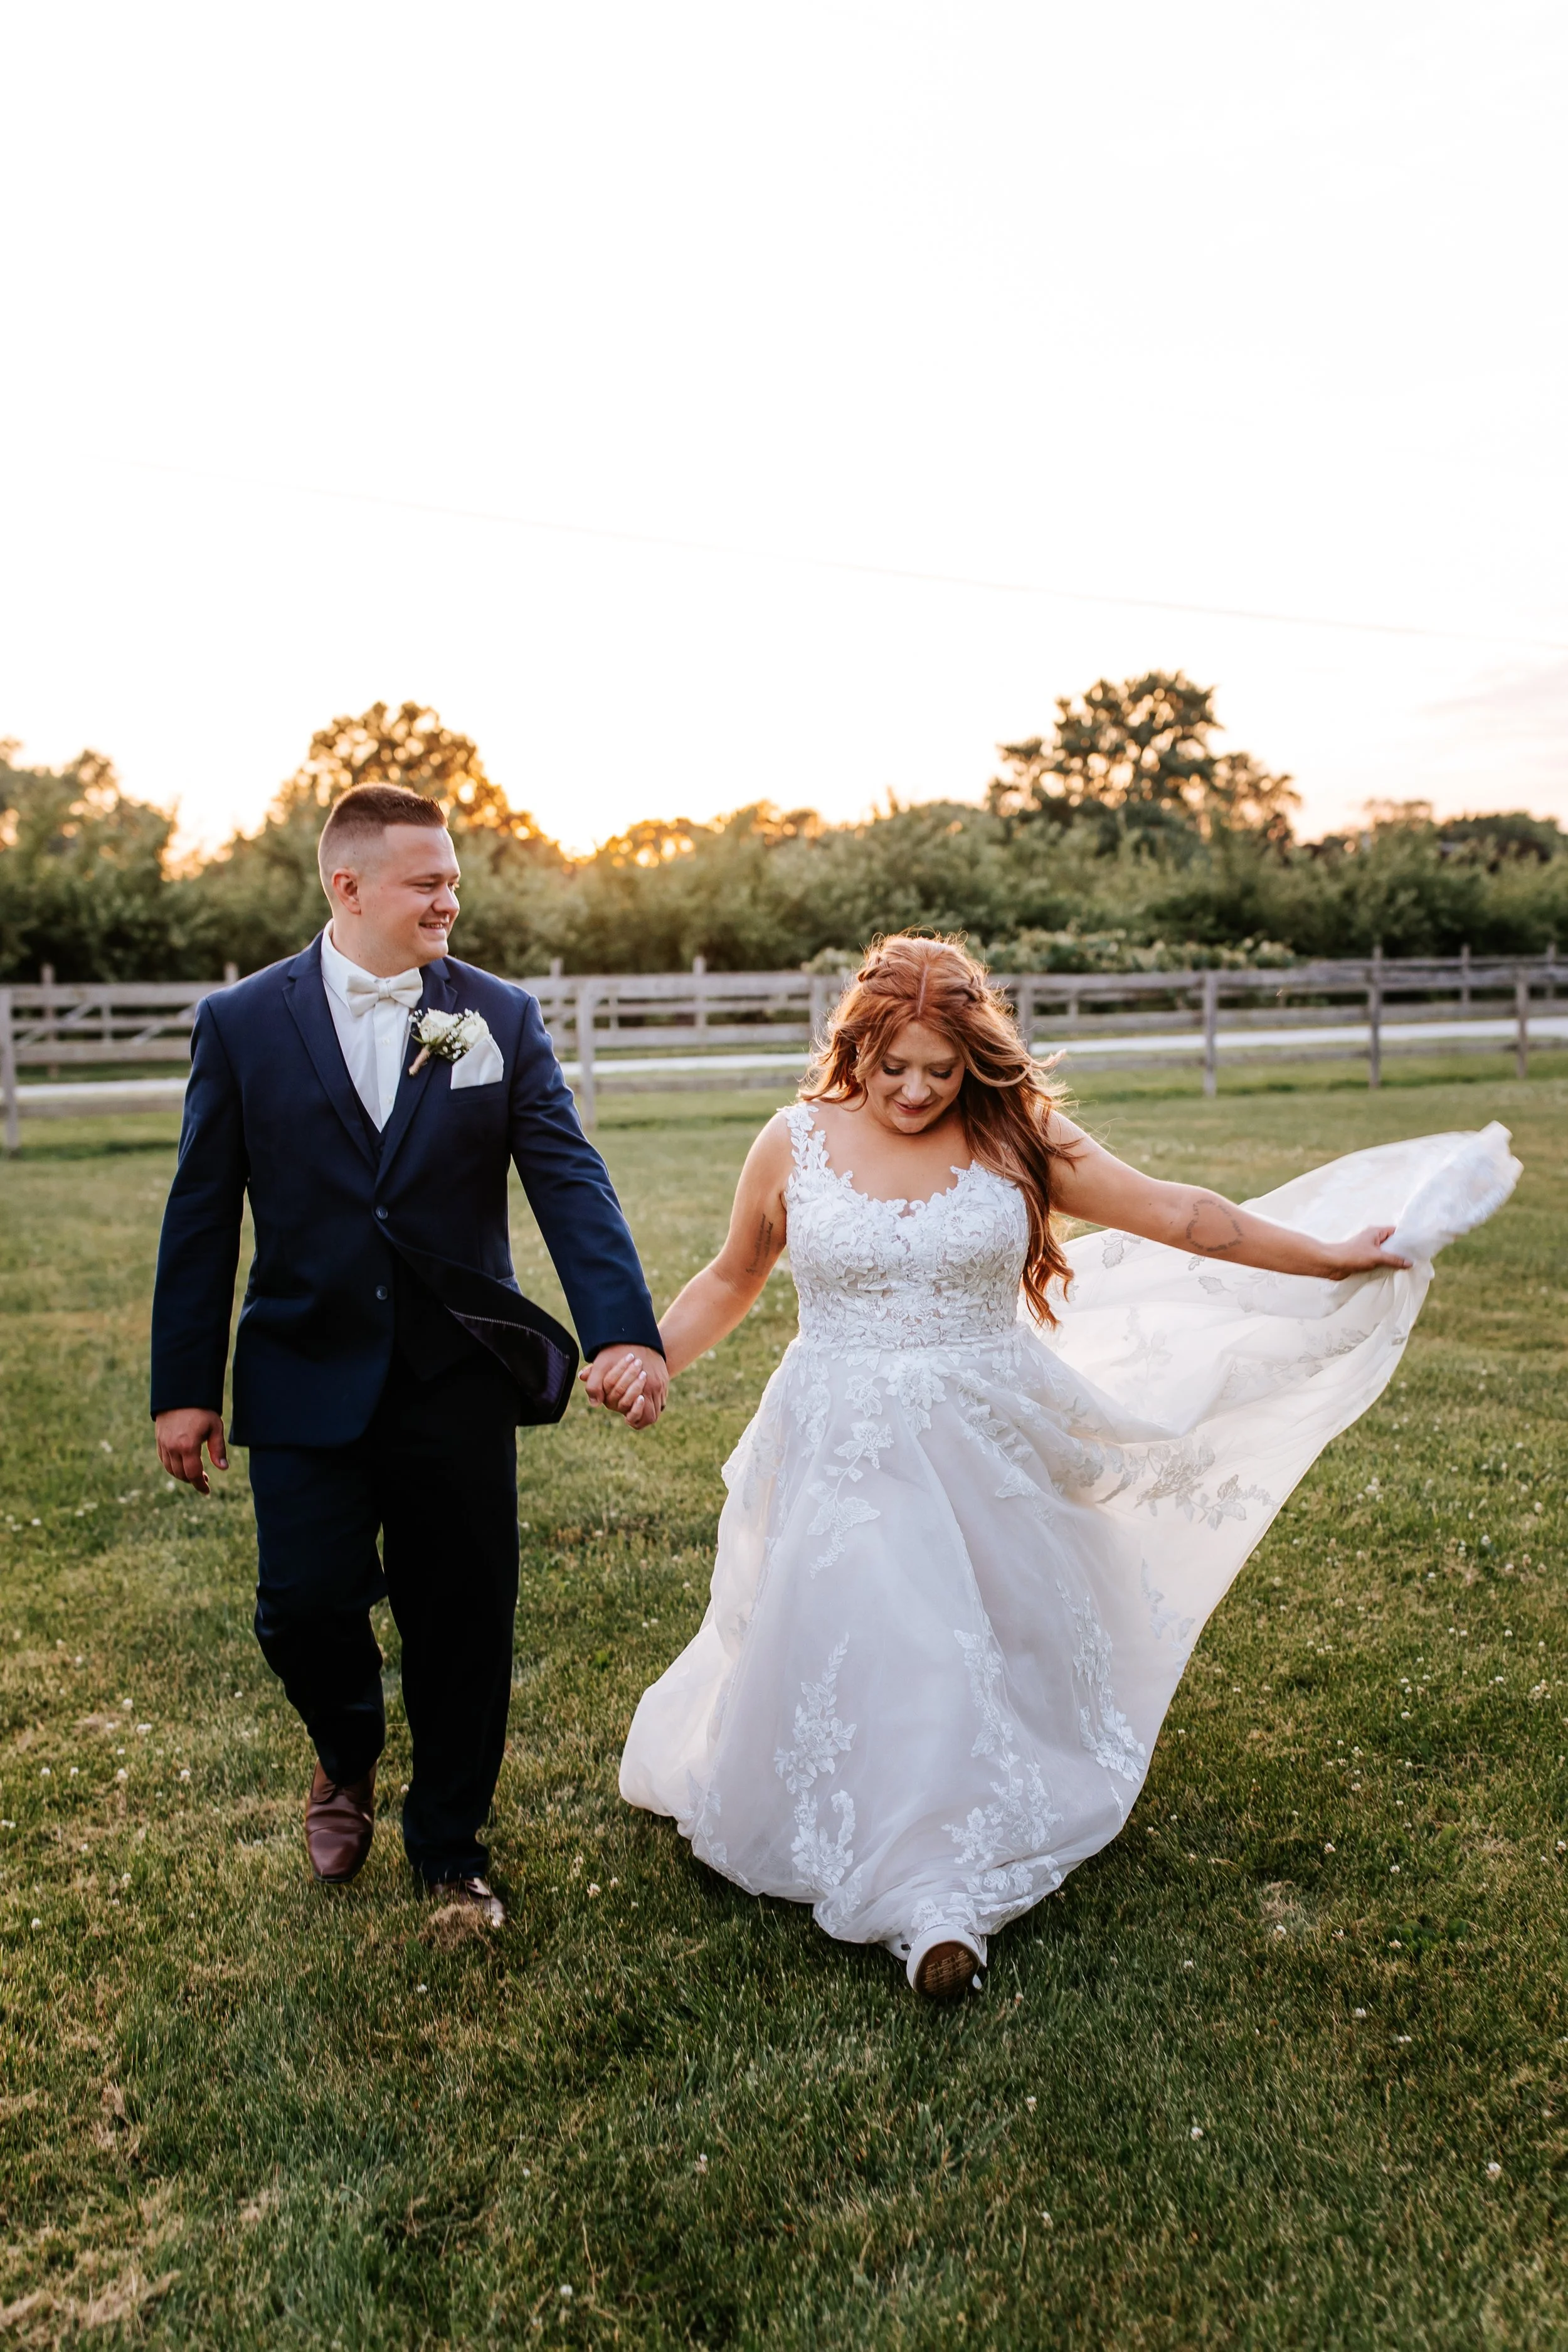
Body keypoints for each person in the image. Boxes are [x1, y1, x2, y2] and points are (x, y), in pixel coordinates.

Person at [617, 935, 1517, 1998]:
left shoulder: (1015, 1133)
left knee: (964, 1647)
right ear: (855, 1043)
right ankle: (926, 1898)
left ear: (977, 1060)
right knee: (884, 1635)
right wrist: (649, 1354)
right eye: (892, 1065)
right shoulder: (793, 1141)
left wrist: (1328, 1255)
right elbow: (734, 1275)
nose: (913, 1090)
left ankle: (939, 1895)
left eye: (939, 1070)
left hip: (986, 1431)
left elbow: (1185, 1215)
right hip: (839, 1438)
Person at [151, 783, 665, 1920]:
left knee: (462, 1615)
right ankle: (346, 1749)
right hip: (300, 1368)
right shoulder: (240, 1022)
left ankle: (449, 1846)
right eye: (427, 883)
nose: (450, 902)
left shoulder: (499, 1016)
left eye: (454, 881)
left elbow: (568, 1178)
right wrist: (184, 1390)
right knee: (299, 1604)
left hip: (454, 1377)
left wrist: (625, 1326)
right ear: (350, 887)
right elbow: (201, 1211)